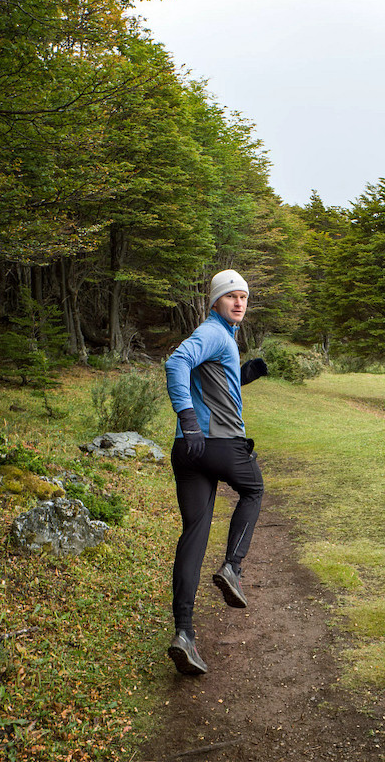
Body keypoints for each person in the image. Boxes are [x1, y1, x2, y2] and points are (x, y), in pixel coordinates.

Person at [164, 269, 268, 675]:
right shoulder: (213, 332)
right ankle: (233, 567)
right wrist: (188, 417)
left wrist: (242, 377)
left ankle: (184, 634)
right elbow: (176, 363)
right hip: (215, 443)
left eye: (244, 297)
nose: (239, 302)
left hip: (187, 450)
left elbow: (210, 385)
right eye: (231, 297)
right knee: (254, 489)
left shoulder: (222, 338)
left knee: (193, 534)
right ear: (215, 302)